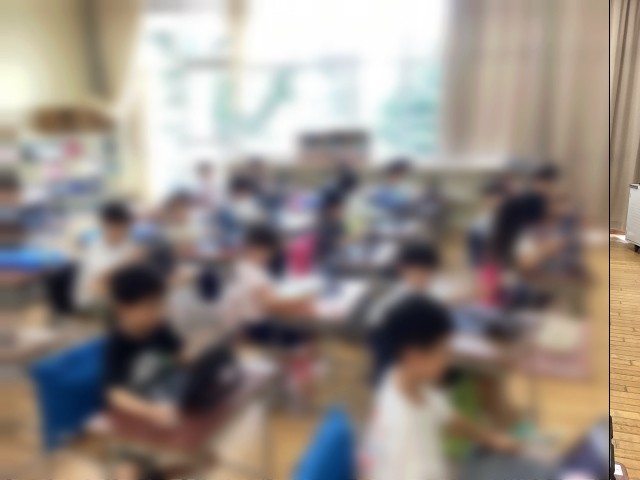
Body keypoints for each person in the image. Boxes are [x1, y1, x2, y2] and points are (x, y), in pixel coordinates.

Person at [360, 296, 520, 480]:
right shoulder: (407, 434)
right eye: (443, 351)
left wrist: (491, 439)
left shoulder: (400, 378)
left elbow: (447, 415)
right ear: (414, 356)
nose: (449, 359)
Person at [103, 264, 186, 480]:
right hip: (131, 418)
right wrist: (151, 411)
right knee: (127, 474)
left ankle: (159, 472)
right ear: (123, 310)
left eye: (161, 305)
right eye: (150, 307)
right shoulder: (117, 344)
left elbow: (181, 357)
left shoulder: (160, 329)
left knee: (201, 458)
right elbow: (115, 394)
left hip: (165, 410)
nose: (159, 313)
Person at [220, 224, 316, 402]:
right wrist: (302, 299)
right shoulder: (252, 272)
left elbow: (269, 299)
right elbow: (271, 304)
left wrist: (295, 301)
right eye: (269, 252)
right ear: (257, 248)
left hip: (243, 325)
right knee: (304, 339)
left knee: (301, 332)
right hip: (250, 328)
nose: (270, 257)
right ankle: (301, 390)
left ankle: (290, 380)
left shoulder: (241, 267)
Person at [75, 201, 143, 309]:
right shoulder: (94, 249)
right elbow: (94, 287)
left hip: (125, 303)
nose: (117, 230)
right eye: (113, 226)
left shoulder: (132, 247)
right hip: (95, 304)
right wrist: (125, 263)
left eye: (122, 226)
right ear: (104, 225)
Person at [314, 190, 347, 267]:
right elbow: (336, 244)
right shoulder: (323, 225)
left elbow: (342, 240)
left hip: (334, 259)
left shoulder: (337, 223)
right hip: (325, 262)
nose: (342, 211)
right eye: (339, 208)